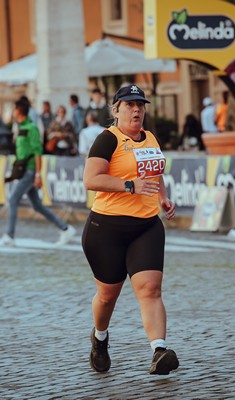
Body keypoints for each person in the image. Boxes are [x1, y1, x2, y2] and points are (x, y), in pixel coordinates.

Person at [82, 84, 179, 375]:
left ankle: (159, 350)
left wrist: (162, 196)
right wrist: (129, 186)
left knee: (150, 289)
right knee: (108, 295)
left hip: (146, 226)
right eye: (129, 105)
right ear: (116, 110)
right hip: (106, 229)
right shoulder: (106, 140)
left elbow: (154, 172)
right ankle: (99, 338)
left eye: (140, 105)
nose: (136, 110)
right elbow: (91, 179)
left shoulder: (150, 137)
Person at [0, 99, 77, 247]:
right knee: (37, 205)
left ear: (18, 111)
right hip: (25, 169)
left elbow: (38, 152)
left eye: (14, 110)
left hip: (30, 171)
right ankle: (65, 228)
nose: (12, 112)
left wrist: (38, 175)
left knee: (13, 200)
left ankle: (9, 235)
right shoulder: (21, 127)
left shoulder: (31, 128)